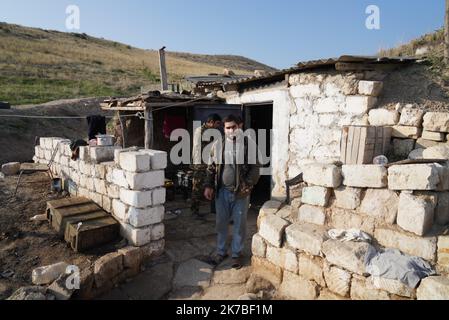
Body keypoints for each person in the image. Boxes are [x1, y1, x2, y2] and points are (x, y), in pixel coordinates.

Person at [204, 114, 261, 269]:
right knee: (221, 224)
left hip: (240, 193)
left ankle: (236, 254)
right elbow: (211, 167)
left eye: (233, 127)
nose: (230, 131)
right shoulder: (218, 144)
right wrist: (209, 185)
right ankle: (221, 252)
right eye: (227, 128)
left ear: (240, 126)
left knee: (239, 225)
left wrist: (247, 184)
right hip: (221, 192)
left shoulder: (249, 145)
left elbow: (255, 168)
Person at [190, 113, 222, 219]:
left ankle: (214, 209)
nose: (218, 125)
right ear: (211, 122)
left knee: (212, 185)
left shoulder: (210, 131)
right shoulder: (201, 131)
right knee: (197, 189)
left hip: (207, 163)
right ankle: (194, 212)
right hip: (200, 165)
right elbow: (207, 148)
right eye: (217, 123)